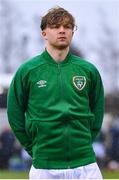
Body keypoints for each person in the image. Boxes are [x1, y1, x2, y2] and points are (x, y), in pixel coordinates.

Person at [7, 7, 104, 179]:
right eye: (55, 26)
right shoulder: (27, 71)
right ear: (44, 33)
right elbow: (14, 115)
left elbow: (97, 112)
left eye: (67, 26)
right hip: (44, 166)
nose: (62, 30)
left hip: (85, 165)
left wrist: (84, 143)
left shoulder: (88, 70)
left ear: (72, 32)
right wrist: (34, 148)